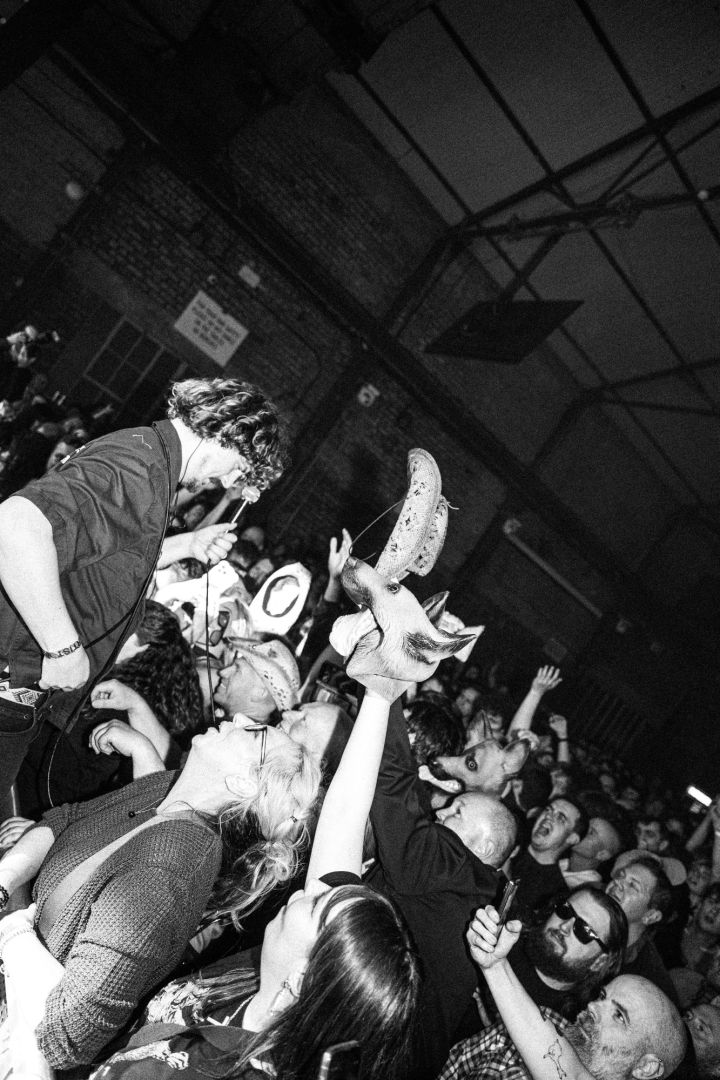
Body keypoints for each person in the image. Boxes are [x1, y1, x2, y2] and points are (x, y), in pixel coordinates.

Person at [80, 627, 422, 1080]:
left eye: (318, 905)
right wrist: (380, 692)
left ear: (302, 980)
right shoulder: (261, 977)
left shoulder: (227, 1071)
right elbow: (343, 814)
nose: (310, 890)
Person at [0, 377, 285, 810]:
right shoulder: (142, 469)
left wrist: (186, 546)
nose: (229, 481)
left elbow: (108, 558)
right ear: (225, 431)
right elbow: (15, 527)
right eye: (239, 468)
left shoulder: (152, 463)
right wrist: (63, 649)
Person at [0, 716, 321, 1070]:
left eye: (254, 731)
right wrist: (5, 880)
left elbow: (67, 1036)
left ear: (242, 782)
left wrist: (12, 927)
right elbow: (64, 821)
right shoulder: (168, 790)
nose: (239, 718)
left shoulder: (170, 870)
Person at [440, 900, 686, 1080]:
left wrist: (496, 967)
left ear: (646, 1068)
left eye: (619, 1016)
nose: (593, 1007)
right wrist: (494, 964)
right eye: (602, 997)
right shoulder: (542, 1021)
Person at [605, 854, 679, 1005]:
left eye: (633, 886)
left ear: (650, 916)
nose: (618, 883)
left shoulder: (647, 982)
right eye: (620, 876)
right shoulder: (583, 911)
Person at [512, 797, 589, 921]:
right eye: (548, 810)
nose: (548, 816)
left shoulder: (554, 893)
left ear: (572, 838)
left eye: (560, 818)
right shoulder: (510, 840)